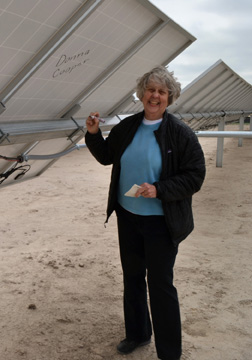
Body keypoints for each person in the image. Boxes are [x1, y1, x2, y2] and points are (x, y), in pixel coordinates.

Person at [85, 65, 206, 360]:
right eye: (150, 90)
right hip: (128, 216)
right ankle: (138, 334)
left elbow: (195, 176)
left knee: (160, 284)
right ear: (141, 94)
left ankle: (169, 352)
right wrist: (93, 134)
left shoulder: (181, 134)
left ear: (170, 97)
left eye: (161, 92)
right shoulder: (128, 126)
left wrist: (160, 189)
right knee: (133, 277)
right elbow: (106, 156)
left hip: (161, 222)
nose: (155, 96)